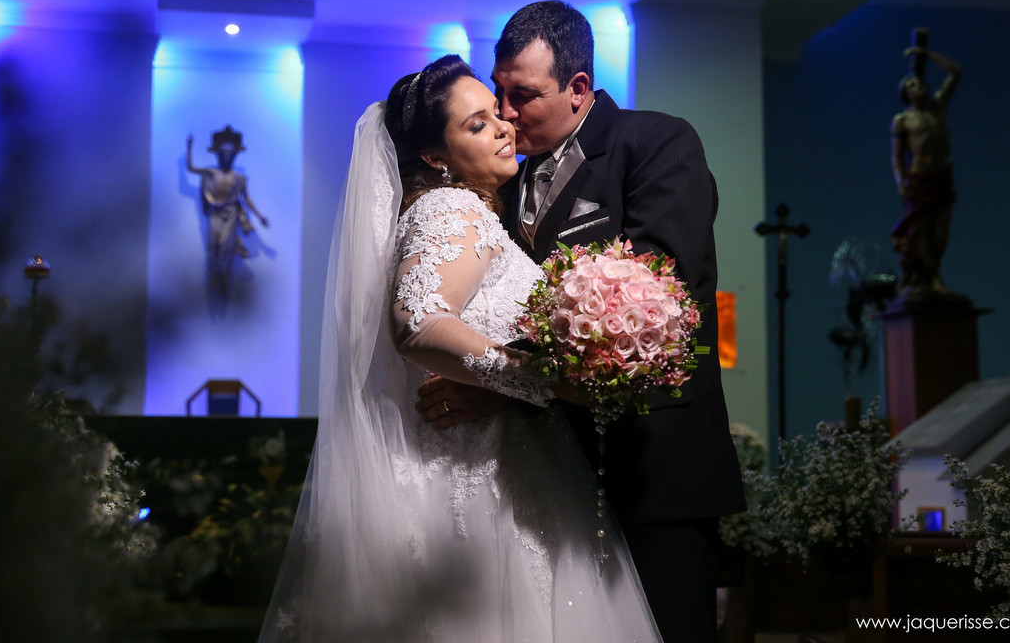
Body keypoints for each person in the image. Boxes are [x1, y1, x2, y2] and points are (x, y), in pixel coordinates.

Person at [258, 54, 663, 642]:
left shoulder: (464, 211)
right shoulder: (453, 209)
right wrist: (539, 381)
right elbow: (418, 323)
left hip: (496, 465)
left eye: (496, 114)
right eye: (476, 124)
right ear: (434, 157)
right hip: (477, 482)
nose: (503, 126)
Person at [416, 1, 745, 642]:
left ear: (578, 89)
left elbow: (651, 299)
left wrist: (492, 380)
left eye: (524, 95)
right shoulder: (503, 174)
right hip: (550, 469)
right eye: (499, 91)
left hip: (652, 461)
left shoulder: (655, 143)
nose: (506, 113)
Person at [890, 46, 962, 297]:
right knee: (919, 229)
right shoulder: (903, 120)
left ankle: (933, 270)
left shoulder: (938, 108)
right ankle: (929, 276)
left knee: (941, 228)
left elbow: (956, 74)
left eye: (920, 83)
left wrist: (928, 55)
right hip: (919, 178)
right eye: (911, 85)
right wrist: (901, 182)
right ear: (905, 94)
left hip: (942, 177)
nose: (917, 86)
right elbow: (897, 155)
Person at [186, 125, 269, 293]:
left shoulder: (239, 178)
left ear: (234, 155)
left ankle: (224, 279)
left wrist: (260, 217)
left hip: (231, 215)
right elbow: (191, 168)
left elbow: (246, 198)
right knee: (215, 245)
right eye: (223, 153)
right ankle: (215, 276)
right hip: (216, 214)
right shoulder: (211, 172)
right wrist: (189, 147)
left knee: (227, 248)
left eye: (229, 153)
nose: (226, 155)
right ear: (217, 154)